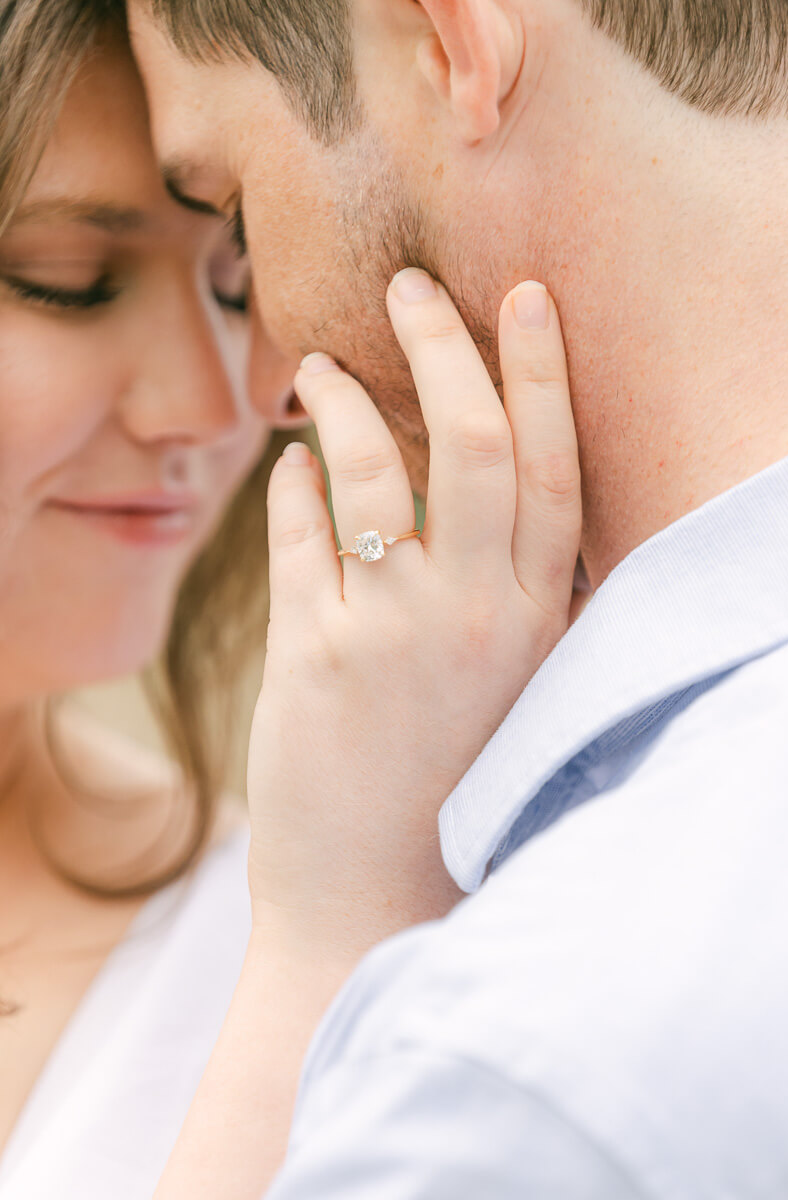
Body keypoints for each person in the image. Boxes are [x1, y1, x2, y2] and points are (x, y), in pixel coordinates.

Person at [125, 0, 788, 1195]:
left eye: (237, 212)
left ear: (450, 47)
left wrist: (330, 930)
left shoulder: (521, 1067)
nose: (268, 388)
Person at [0, 4, 584, 1198]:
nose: (215, 408)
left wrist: (337, 938)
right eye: (66, 281)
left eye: (234, 285)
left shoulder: (311, 912)